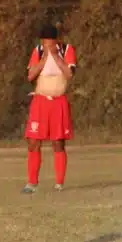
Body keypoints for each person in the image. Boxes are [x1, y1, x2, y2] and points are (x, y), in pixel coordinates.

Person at [23, 23, 77, 193]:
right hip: (40, 102)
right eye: (45, 42)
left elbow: (69, 74)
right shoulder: (38, 51)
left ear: (57, 40)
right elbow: (31, 75)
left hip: (58, 102)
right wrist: (45, 57)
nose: (47, 46)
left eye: (50, 43)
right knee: (33, 142)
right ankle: (32, 183)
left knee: (58, 143)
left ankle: (59, 183)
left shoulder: (67, 50)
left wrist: (56, 56)